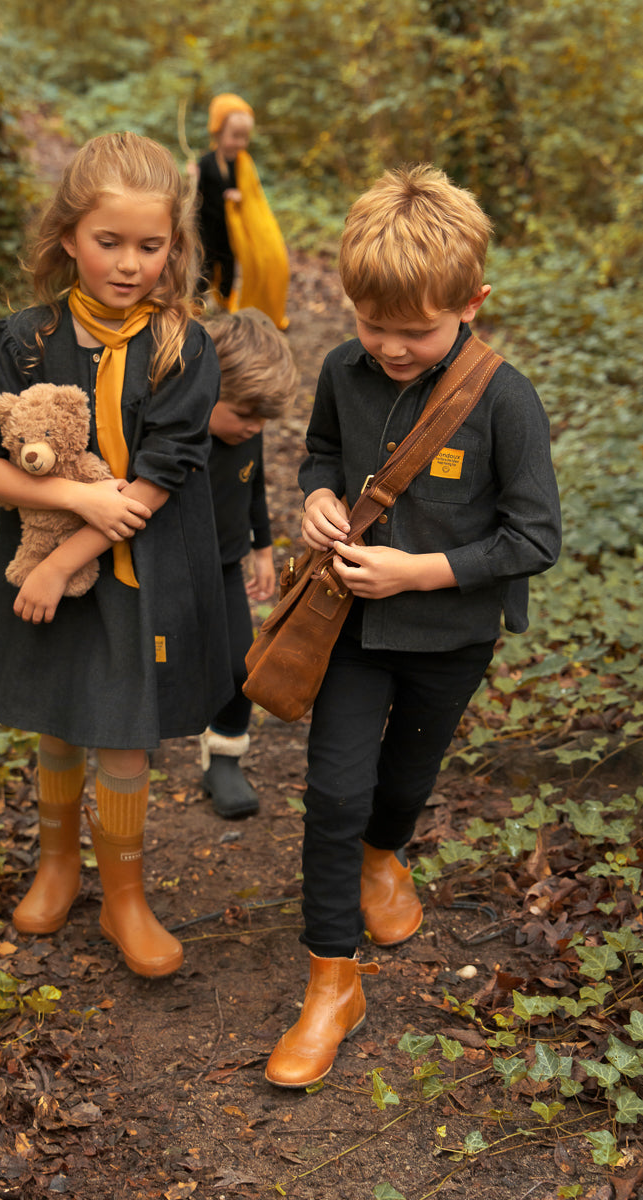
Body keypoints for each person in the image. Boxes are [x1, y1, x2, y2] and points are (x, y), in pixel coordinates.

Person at [265, 164, 562, 1088]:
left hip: (450, 638)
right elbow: (320, 450)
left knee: (399, 788)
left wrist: (417, 572)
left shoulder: (503, 400)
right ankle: (331, 983)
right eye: (370, 325)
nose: (389, 348)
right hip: (350, 627)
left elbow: (534, 537)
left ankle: (386, 856)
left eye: (414, 331)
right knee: (333, 794)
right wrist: (316, 496)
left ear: (471, 303)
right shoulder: (339, 371)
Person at [0, 131, 232, 979]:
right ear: (69, 235)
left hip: (129, 578)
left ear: (174, 247)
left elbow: (156, 483)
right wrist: (71, 500)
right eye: (109, 242)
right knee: (58, 718)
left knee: (122, 738)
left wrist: (65, 558)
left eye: (150, 246)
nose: (129, 263)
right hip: (44, 564)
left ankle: (123, 896)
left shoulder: (184, 348)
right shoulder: (24, 341)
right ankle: (58, 865)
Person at [200, 309, 298, 817]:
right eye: (243, 414)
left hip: (224, 561)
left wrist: (262, 548)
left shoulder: (247, 428)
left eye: (263, 420)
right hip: (170, 565)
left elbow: (253, 482)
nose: (254, 427)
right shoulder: (178, 431)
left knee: (242, 661)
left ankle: (224, 754)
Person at [191, 93, 289, 330]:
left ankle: (224, 306)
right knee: (203, 268)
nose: (240, 143)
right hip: (206, 230)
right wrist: (193, 179)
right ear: (217, 132)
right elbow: (196, 197)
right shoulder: (205, 162)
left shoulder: (243, 164)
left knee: (227, 270)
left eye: (244, 138)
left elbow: (253, 197)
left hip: (230, 234)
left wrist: (240, 197)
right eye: (235, 136)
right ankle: (195, 309)